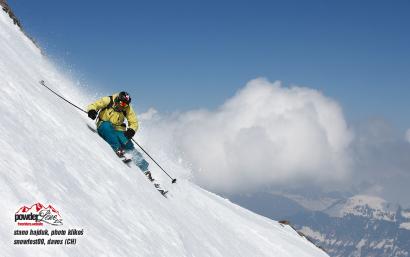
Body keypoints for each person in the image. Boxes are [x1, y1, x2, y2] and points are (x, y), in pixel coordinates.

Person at [86, 92, 154, 181]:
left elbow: (134, 122)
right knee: (107, 128)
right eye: (122, 103)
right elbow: (94, 105)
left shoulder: (127, 108)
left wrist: (131, 130)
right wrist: (92, 110)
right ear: (118, 100)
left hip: (118, 129)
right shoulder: (109, 100)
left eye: (126, 105)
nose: (123, 106)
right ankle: (118, 149)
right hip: (103, 125)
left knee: (127, 143)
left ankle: (145, 169)